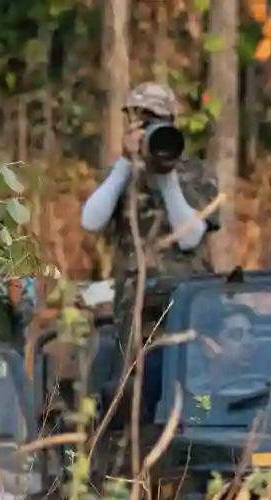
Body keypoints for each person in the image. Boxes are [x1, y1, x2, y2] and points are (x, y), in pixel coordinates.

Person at [80, 82, 218, 342]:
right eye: (142, 121)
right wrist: (124, 164)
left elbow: (190, 238)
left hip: (187, 298)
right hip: (134, 302)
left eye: (157, 121)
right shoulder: (121, 174)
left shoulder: (197, 172)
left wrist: (167, 177)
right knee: (134, 377)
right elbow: (90, 222)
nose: (150, 128)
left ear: (173, 123)